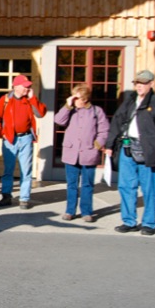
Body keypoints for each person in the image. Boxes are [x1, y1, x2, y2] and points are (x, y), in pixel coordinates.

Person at [104, 70, 155, 236]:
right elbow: (116, 121)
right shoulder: (129, 101)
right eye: (137, 82)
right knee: (126, 186)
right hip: (127, 148)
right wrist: (110, 144)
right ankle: (129, 221)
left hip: (150, 151)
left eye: (143, 83)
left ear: (150, 84)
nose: (139, 86)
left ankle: (149, 224)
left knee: (149, 189)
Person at [54, 83, 110, 222]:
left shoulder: (97, 111)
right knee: (71, 184)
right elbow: (58, 120)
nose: (74, 100)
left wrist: (97, 145)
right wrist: (67, 105)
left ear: (85, 99)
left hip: (88, 153)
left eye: (77, 98)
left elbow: (104, 130)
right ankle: (69, 211)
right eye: (73, 97)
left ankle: (86, 212)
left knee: (87, 184)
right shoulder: (70, 110)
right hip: (71, 152)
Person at [0, 74, 47, 209]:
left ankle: (24, 198)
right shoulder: (4, 100)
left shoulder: (29, 100)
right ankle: (6, 196)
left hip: (26, 137)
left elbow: (41, 113)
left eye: (28, 87)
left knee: (26, 170)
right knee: (8, 170)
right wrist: (2, 135)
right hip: (9, 139)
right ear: (15, 86)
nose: (27, 89)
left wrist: (33, 97)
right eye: (25, 87)